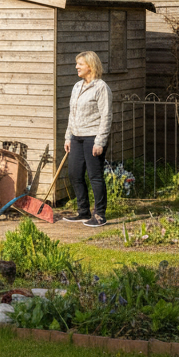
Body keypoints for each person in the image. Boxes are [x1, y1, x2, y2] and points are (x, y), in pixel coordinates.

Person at [63, 50, 112, 227]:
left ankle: (99, 215)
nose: (77, 67)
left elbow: (106, 116)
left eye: (80, 64)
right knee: (74, 174)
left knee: (95, 176)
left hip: (93, 137)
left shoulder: (101, 88)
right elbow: (72, 114)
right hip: (76, 137)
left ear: (90, 66)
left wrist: (100, 141)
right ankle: (83, 211)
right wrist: (68, 137)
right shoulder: (77, 86)